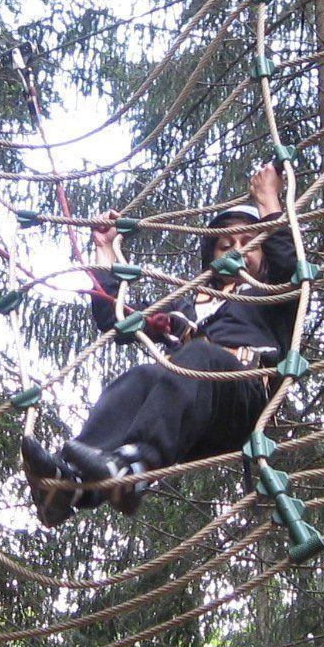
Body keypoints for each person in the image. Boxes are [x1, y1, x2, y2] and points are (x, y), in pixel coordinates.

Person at [20, 161, 302, 525]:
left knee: (200, 354)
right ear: (212, 257)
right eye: (225, 245)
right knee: (141, 376)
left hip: (240, 400)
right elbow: (116, 319)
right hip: (188, 417)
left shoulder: (272, 294)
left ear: (263, 254)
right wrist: (105, 249)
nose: (236, 250)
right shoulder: (187, 306)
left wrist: (268, 200)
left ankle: (138, 467)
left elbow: (289, 263)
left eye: (249, 243)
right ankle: (71, 484)